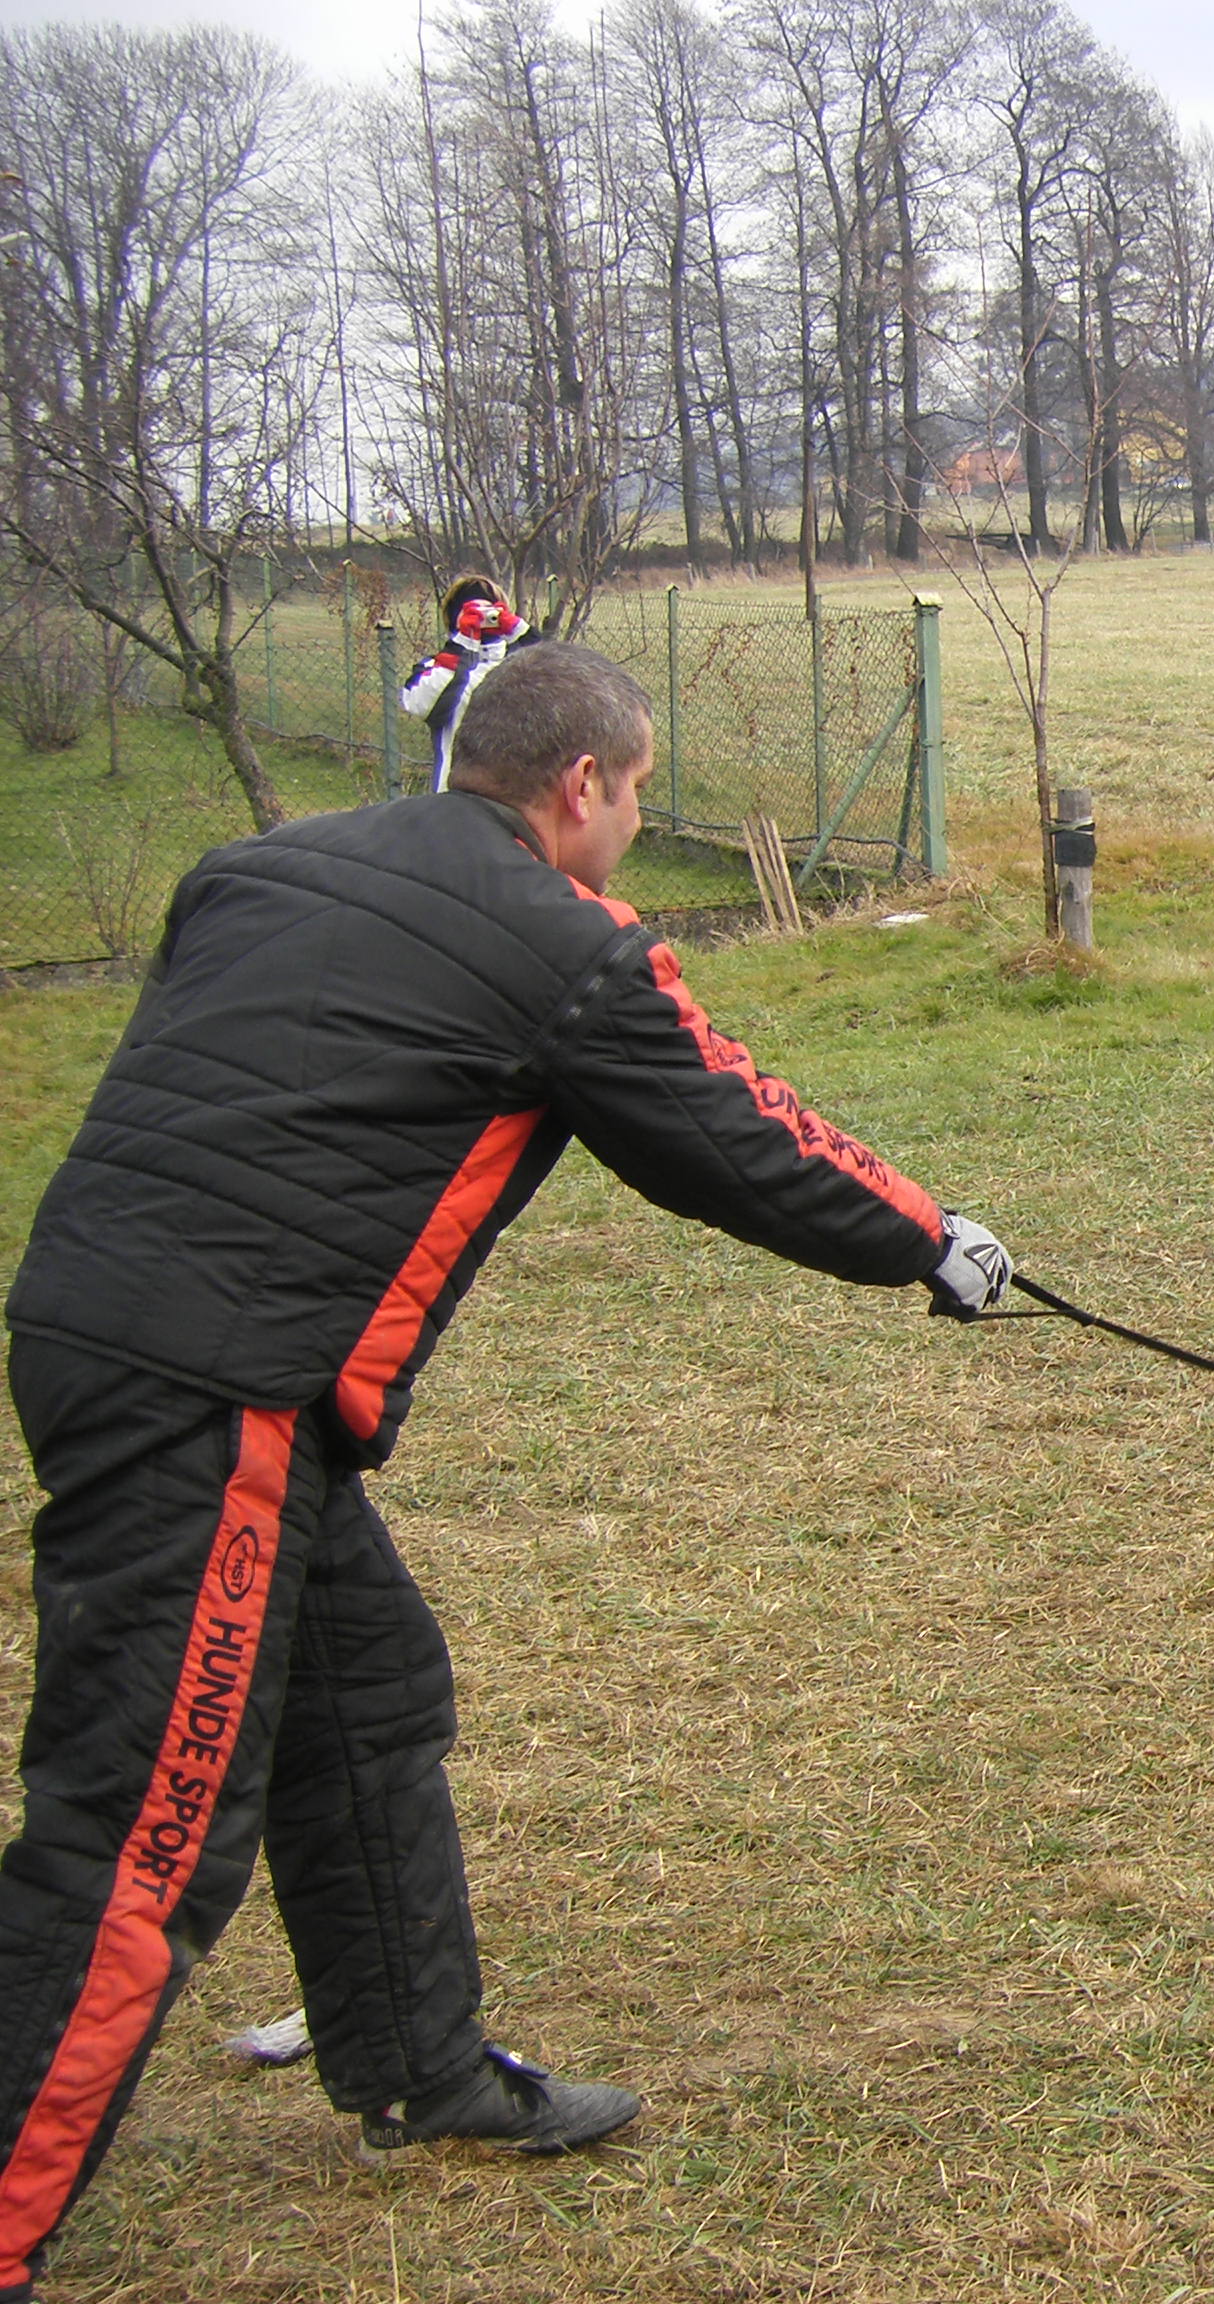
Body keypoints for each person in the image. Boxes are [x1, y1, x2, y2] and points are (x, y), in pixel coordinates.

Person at [0, 643, 1014, 2301]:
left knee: (365, 1689)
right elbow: (731, 1132)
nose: (626, 822)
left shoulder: (259, 862)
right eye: (631, 791)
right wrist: (930, 1237)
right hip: (218, 1393)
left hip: (98, 1327)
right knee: (138, 1827)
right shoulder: (567, 945)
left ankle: (424, 2062)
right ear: (583, 788)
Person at [398, 574, 538, 793]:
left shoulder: (523, 665)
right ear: (455, 618)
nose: (482, 618)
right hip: (455, 797)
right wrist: (463, 643)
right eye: (471, 612)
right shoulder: (438, 666)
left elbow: (564, 684)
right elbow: (423, 705)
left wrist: (519, 631)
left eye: (488, 612)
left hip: (516, 795)